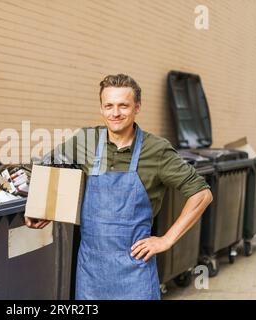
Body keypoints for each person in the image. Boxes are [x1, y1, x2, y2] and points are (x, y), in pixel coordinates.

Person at [25, 74, 213, 300]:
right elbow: (49, 168)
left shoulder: (156, 150)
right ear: (101, 109)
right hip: (90, 273)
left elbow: (202, 194)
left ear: (137, 107)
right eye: (109, 106)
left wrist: (166, 240)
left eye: (123, 106)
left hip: (134, 274)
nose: (115, 113)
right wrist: (44, 209)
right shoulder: (85, 140)